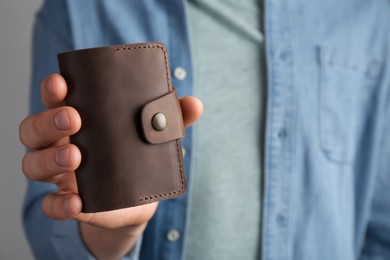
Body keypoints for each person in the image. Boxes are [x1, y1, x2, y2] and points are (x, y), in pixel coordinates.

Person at [19, 0, 390, 259]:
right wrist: (112, 236)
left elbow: (381, 226)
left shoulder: (370, 13)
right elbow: (48, 220)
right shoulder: (79, 7)